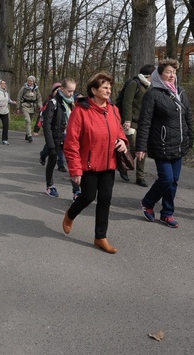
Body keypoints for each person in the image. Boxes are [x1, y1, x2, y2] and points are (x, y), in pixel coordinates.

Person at [62, 72, 129, 254]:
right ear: (94, 90)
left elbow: (119, 131)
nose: (108, 90)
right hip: (88, 165)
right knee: (88, 196)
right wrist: (75, 169)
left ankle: (100, 237)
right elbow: (71, 143)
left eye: (109, 87)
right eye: (104, 87)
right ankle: (70, 214)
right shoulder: (81, 111)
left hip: (109, 163)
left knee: (105, 199)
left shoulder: (114, 109)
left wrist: (123, 141)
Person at [135, 58, 194, 228]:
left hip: (179, 144)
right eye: (168, 72)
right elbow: (145, 121)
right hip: (160, 144)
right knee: (166, 179)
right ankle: (148, 202)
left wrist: (190, 137)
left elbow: (188, 115)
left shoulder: (181, 92)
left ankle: (167, 214)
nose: (172, 75)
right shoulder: (152, 94)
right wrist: (140, 146)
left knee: (174, 181)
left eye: (174, 72)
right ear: (159, 74)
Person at [118, 64, 155, 186]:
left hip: (143, 124)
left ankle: (140, 176)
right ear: (149, 75)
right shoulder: (135, 83)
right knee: (135, 147)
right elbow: (127, 102)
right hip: (131, 122)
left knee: (141, 148)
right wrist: (127, 120)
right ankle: (123, 166)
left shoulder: (150, 87)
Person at [42, 78, 78, 198]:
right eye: (69, 91)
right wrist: (51, 145)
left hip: (69, 138)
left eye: (73, 91)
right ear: (62, 89)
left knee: (72, 162)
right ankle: (50, 186)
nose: (71, 93)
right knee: (52, 160)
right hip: (56, 137)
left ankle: (76, 191)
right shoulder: (53, 102)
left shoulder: (71, 103)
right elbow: (46, 125)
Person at [39, 83, 70, 172]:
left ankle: (60, 164)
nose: (58, 92)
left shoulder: (66, 102)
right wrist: (37, 127)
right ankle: (43, 155)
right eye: (56, 90)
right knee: (49, 147)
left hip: (63, 131)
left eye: (60, 90)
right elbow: (43, 116)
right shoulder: (50, 102)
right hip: (53, 130)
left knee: (62, 148)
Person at [17, 76, 42, 143]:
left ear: (33, 82)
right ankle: (29, 136)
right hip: (25, 106)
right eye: (28, 81)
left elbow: (39, 99)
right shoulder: (24, 88)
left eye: (31, 81)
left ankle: (27, 134)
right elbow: (19, 97)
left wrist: (41, 107)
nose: (29, 82)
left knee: (30, 121)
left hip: (33, 107)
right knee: (28, 121)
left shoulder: (36, 89)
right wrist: (18, 107)